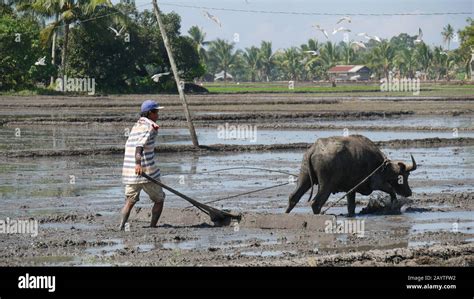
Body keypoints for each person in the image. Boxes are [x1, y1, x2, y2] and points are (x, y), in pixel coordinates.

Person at [119, 100, 165, 230]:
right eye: (156, 112)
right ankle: (152, 227)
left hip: (130, 173)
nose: (158, 115)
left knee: (130, 201)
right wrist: (138, 165)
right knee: (159, 199)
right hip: (146, 171)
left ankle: (121, 227)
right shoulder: (150, 126)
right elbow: (139, 146)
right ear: (150, 113)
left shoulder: (136, 125)